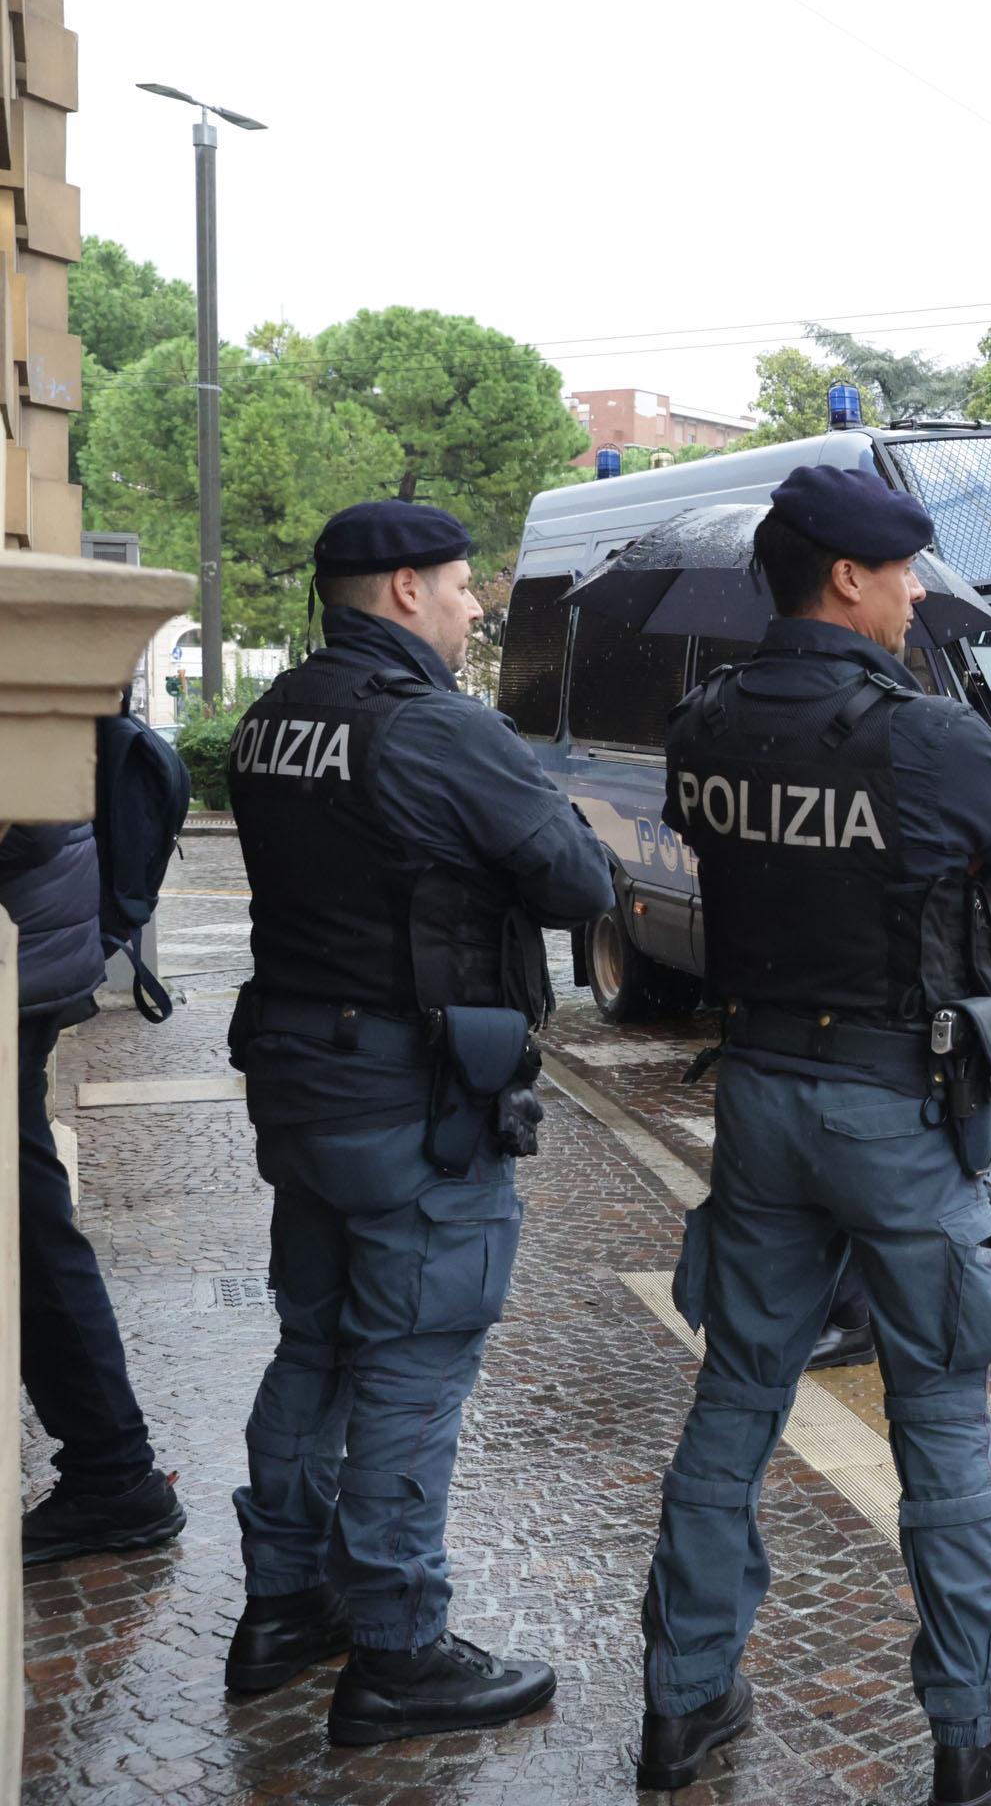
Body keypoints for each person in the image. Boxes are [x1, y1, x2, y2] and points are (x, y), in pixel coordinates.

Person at [634, 461, 991, 1803]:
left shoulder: (703, 721)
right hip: (894, 1102)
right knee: (937, 1398)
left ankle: (682, 1701)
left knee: (739, 1392)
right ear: (846, 578)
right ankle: (976, 1724)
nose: (919, 593)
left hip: (759, 1091)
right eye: (905, 572)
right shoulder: (922, 733)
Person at [225, 500, 614, 1739]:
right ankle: (396, 1649)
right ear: (401, 590)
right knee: (412, 1356)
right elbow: (579, 881)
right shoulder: (436, 727)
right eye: (458, 588)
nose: (472, 607)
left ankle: (284, 1603)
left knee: (317, 1344)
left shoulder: (274, 716)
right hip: (410, 1092)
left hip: (301, 1076)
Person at [4, 819, 182, 1565]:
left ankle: (114, 1474)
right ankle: (112, 1471)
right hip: (36, 942)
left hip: (24, 946)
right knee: (27, 1217)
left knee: (26, 1225)